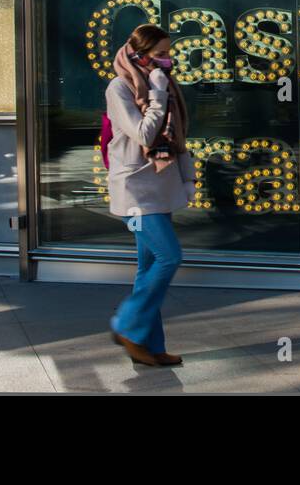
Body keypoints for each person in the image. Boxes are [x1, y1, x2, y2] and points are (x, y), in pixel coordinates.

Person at [105, 23, 193, 367]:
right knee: (170, 257)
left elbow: (180, 137)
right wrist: (157, 94)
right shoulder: (119, 88)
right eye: (160, 54)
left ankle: (150, 346)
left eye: (169, 53)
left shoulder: (164, 84)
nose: (167, 61)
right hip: (135, 191)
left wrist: (188, 179)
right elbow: (144, 132)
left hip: (161, 188)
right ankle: (126, 325)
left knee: (148, 268)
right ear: (139, 56)